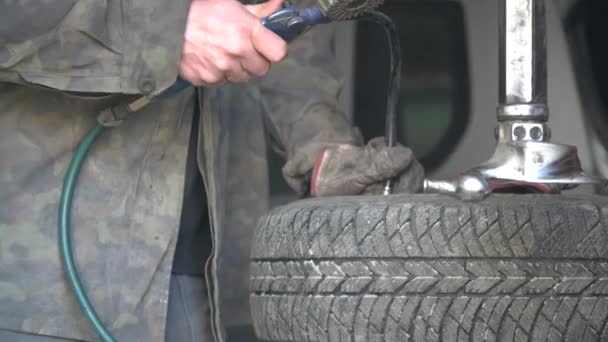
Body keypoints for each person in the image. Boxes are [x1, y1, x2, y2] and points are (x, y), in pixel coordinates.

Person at [0, 0, 424, 341]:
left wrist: (322, 148)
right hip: (38, 283)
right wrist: (166, 31)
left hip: (206, 278)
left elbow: (278, 24)